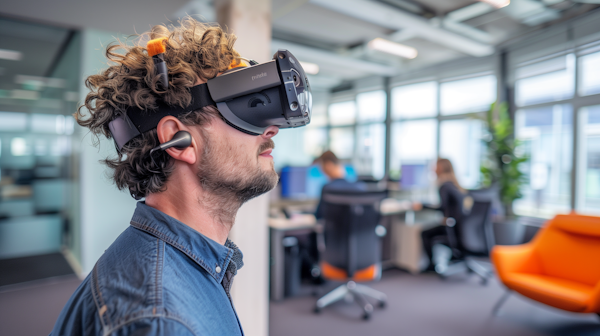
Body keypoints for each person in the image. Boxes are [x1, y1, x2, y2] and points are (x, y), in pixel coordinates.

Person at [51, 19, 284, 336]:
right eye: (242, 109)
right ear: (179, 139)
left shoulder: (183, 267)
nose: (271, 129)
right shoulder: (161, 320)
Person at [412, 158, 468, 271]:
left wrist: (422, 206)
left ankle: (431, 265)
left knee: (425, 233)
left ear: (440, 169)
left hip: (452, 227)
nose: (433, 169)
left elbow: (442, 207)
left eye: (435, 166)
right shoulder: (454, 184)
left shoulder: (444, 186)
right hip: (461, 227)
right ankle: (452, 256)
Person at [314, 150, 365, 220]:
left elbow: (319, 216)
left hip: (332, 230)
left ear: (328, 165)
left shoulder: (327, 188)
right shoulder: (359, 187)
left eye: (321, 166)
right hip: (358, 230)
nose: (321, 170)